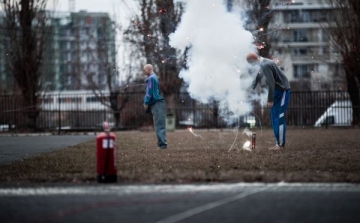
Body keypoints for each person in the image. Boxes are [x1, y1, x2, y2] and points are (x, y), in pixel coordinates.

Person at [246, 52, 291, 150]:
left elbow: (271, 83)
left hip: (282, 91)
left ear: (253, 61)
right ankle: (278, 143)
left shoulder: (265, 64)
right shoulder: (264, 62)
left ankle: (280, 144)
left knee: (279, 118)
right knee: (274, 117)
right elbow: (259, 75)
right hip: (277, 91)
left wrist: (270, 99)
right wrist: (252, 87)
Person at [143, 64, 167, 149]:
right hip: (158, 103)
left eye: (145, 70)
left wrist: (146, 102)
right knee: (159, 124)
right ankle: (162, 143)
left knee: (159, 125)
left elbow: (149, 92)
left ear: (149, 69)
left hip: (157, 103)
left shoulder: (151, 78)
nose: (144, 72)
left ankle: (163, 144)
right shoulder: (154, 77)